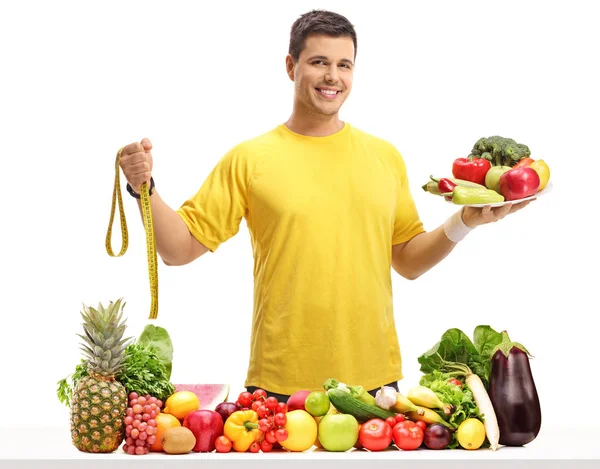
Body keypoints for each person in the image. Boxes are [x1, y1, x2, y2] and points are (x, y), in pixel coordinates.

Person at [118, 10, 530, 402]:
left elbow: (407, 261)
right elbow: (179, 249)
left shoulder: (384, 156)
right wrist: (145, 188)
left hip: (375, 384)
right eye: (319, 61)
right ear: (290, 66)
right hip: (280, 385)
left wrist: (464, 221)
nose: (333, 76)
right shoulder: (249, 159)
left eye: (344, 65)